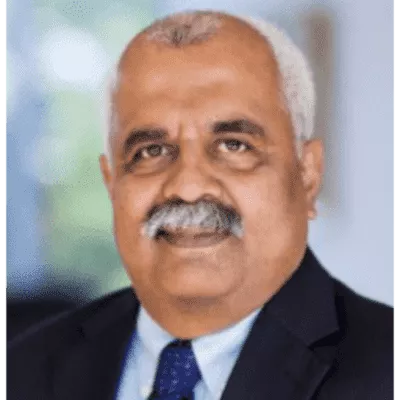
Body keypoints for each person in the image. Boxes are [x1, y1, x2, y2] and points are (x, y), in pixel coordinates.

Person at [6, 10, 394, 400]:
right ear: (112, 184)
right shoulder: (21, 371)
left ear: (307, 175)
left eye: (234, 145)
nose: (188, 187)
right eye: (151, 151)